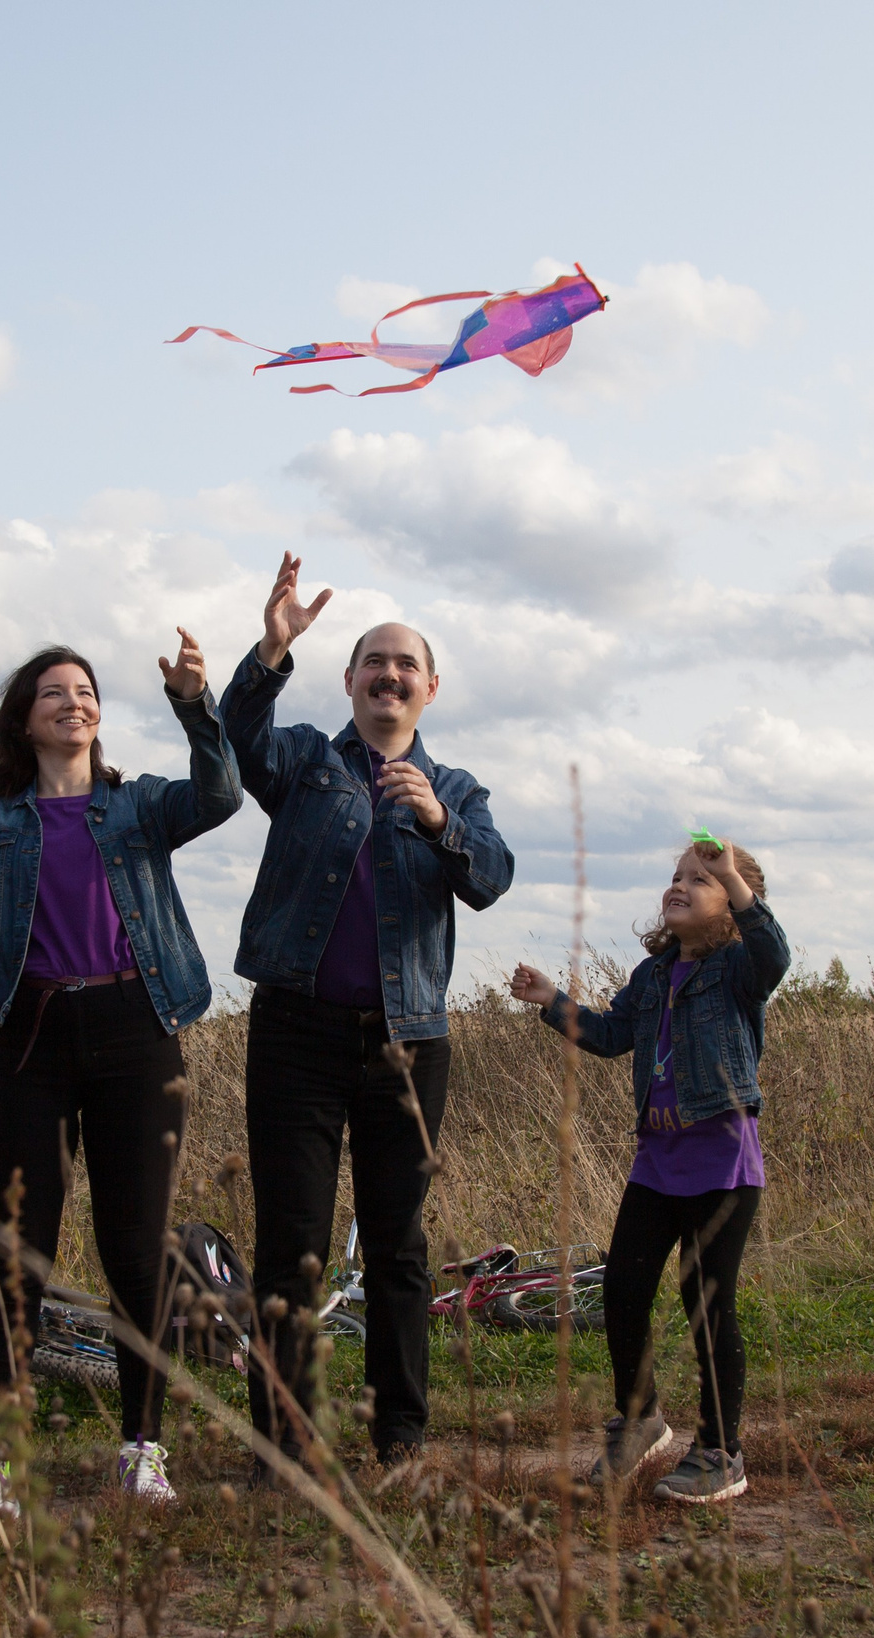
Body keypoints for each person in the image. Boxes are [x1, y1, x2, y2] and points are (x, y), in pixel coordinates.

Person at [0, 630, 242, 1533]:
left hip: (136, 1029)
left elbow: (220, 793)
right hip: (28, 1034)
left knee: (136, 1249)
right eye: (54, 693)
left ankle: (142, 1448)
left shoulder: (137, 806)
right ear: (24, 721)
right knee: (16, 1253)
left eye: (85, 690)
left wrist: (195, 701)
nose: (74, 701)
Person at [218, 552, 514, 1469]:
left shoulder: (458, 789)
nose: (389, 676)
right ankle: (286, 1442)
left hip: (409, 1044)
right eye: (372, 664)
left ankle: (400, 1434)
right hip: (295, 1034)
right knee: (292, 1243)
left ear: (429, 687)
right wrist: (269, 653)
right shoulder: (307, 761)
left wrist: (439, 824)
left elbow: (492, 878)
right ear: (348, 682)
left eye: (405, 665)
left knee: (397, 1244)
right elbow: (233, 739)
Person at [509, 837, 786, 1505]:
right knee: (624, 1290)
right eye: (678, 876)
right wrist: (553, 1000)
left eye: (704, 878)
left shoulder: (739, 967)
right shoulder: (654, 975)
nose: (684, 884)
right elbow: (609, 1035)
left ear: (732, 906)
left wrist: (735, 881)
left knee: (706, 1302)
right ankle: (642, 1419)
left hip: (722, 1162)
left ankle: (722, 1450)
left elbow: (775, 953)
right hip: (657, 1165)